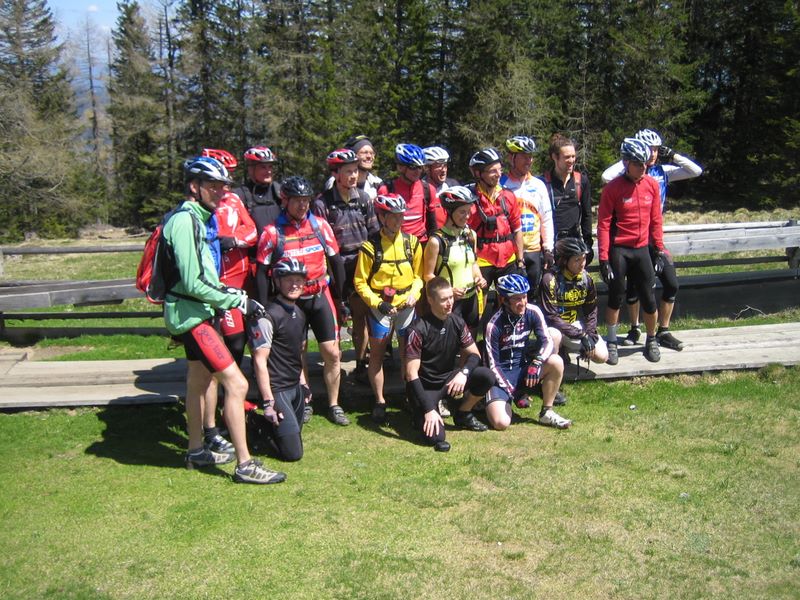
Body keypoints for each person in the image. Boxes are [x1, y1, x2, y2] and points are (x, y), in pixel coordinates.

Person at [164, 156, 285, 484]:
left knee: (198, 381)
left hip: (194, 312)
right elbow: (194, 282)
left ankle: (195, 450)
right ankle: (245, 465)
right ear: (194, 186)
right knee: (237, 384)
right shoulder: (186, 222)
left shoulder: (198, 218)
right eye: (213, 186)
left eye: (223, 186)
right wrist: (238, 300)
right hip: (192, 317)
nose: (220, 191)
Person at [255, 176, 349, 426]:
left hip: (319, 295)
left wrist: (342, 298)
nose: (302, 205)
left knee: (332, 352)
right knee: (298, 352)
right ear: (285, 201)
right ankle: (304, 400)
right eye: (297, 200)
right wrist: (263, 307)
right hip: (290, 302)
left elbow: (336, 261)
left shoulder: (320, 226)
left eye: (306, 200)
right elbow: (261, 272)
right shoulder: (272, 232)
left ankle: (334, 404)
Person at [601, 128, 703, 351]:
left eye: (656, 150)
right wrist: (629, 156)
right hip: (627, 242)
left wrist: (673, 154)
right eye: (648, 150)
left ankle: (660, 333)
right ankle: (633, 329)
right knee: (628, 290)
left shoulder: (661, 173)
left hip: (651, 238)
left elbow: (695, 171)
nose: (651, 155)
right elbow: (606, 178)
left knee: (667, 285)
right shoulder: (621, 178)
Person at [353, 193, 424, 424]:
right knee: (377, 354)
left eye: (401, 216)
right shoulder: (369, 247)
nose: (398, 221)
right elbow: (360, 282)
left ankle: (409, 395)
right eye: (393, 216)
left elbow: (419, 276)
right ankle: (380, 401)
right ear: (382, 217)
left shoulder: (412, 243)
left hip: (406, 305)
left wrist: (414, 295)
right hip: (380, 307)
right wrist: (378, 303)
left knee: (407, 353)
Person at [313, 148, 380, 384]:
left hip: (361, 266)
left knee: (361, 317)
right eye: (348, 172)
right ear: (335, 173)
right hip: (335, 267)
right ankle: (335, 367)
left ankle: (360, 364)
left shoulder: (364, 199)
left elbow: (373, 233)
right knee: (336, 319)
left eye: (355, 171)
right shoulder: (322, 203)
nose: (353, 176)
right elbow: (320, 242)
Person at [405, 277, 496, 451]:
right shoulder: (417, 329)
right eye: (443, 299)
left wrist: (464, 373)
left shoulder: (457, 322)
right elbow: (411, 374)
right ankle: (420, 413)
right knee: (437, 439)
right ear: (430, 300)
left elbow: (475, 355)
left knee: (486, 376)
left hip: (448, 379)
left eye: (451, 298)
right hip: (425, 387)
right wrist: (429, 409)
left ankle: (463, 413)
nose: (449, 303)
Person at [597, 138, 666, 365]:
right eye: (637, 163)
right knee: (616, 296)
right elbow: (603, 225)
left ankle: (651, 339)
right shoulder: (613, 188)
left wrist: (659, 250)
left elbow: (656, 220)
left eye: (644, 163)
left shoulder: (651, 185)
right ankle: (612, 341)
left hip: (642, 249)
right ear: (626, 162)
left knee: (648, 297)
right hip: (620, 250)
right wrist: (604, 258)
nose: (643, 167)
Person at [484, 274, 571, 430]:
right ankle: (484, 402)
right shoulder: (493, 325)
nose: (523, 302)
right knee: (501, 423)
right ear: (504, 300)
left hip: (523, 370)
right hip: (501, 376)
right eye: (517, 299)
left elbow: (547, 341)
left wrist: (536, 363)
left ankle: (547, 411)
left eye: (524, 297)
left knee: (556, 361)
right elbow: (493, 366)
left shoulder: (533, 311)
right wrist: (514, 393)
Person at [246, 257, 310, 462]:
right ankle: (252, 422)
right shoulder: (267, 316)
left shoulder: (300, 313)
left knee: (292, 437)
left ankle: (267, 426)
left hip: (294, 388)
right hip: (277, 390)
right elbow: (259, 361)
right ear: (277, 282)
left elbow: (298, 353)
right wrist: (268, 402)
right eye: (289, 280)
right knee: (293, 454)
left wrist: (304, 384)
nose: (294, 285)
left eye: (299, 280)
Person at [465, 147, 524, 310]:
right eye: (492, 171)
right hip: (481, 258)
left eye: (499, 169)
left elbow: (517, 230)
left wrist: (520, 261)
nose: (498, 174)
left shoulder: (508, 196)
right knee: (477, 308)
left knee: (509, 305)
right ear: (478, 173)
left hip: (507, 257)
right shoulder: (470, 199)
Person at [422, 185, 486, 333]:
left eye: (469, 211)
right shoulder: (436, 241)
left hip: (471, 298)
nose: (467, 216)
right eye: (462, 212)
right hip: (450, 301)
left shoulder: (470, 235)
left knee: (470, 339)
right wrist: (449, 291)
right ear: (450, 212)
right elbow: (428, 275)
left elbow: (473, 263)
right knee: (450, 340)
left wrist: (479, 277)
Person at [539, 237, 608, 366]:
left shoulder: (586, 279)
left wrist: (590, 335)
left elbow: (591, 311)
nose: (582, 264)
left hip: (573, 326)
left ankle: (567, 347)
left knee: (602, 356)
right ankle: (553, 364)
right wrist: (581, 336)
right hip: (552, 328)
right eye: (577, 260)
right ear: (564, 261)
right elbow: (551, 317)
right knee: (554, 336)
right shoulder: (549, 279)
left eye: (584, 258)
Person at [500, 135, 555, 298]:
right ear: (511, 158)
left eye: (530, 156)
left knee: (531, 296)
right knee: (509, 297)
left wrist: (548, 248)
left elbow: (546, 218)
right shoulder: (501, 184)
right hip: (510, 252)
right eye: (524, 156)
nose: (529, 161)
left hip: (533, 250)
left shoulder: (538, 185)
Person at [540, 134, 594, 262]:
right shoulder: (542, 182)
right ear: (555, 157)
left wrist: (588, 244)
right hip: (551, 245)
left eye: (573, 156)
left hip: (574, 242)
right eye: (567, 157)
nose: (571, 160)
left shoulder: (581, 181)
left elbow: (587, 215)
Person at [378, 143, 445, 243]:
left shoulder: (428, 189)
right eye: (413, 167)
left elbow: (432, 226)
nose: (418, 171)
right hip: (396, 243)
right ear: (400, 167)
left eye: (420, 167)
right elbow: (380, 224)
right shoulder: (386, 189)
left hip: (421, 243)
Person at [233, 146, 282, 236]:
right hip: (254, 244)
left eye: (270, 167)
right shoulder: (239, 195)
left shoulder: (279, 191)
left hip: (280, 243)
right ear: (251, 169)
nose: (268, 171)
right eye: (263, 167)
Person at [324, 134, 383, 199]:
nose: (369, 156)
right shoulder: (335, 181)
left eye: (372, 153)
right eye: (364, 153)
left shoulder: (378, 183)